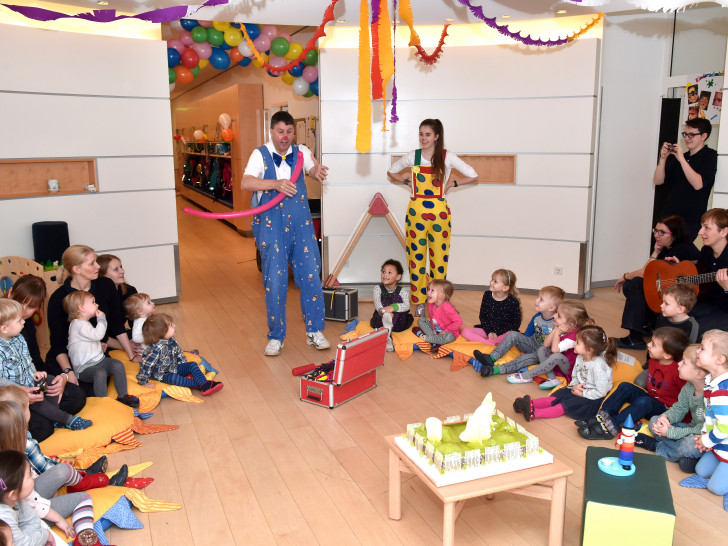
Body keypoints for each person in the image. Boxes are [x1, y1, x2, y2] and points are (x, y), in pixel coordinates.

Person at [242, 111, 330, 357]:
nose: (285, 137)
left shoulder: (301, 151)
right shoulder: (260, 155)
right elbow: (246, 182)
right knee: (275, 282)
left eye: (289, 132)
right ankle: (276, 336)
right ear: (271, 131)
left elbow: (312, 168)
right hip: (272, 227)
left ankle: (315, 331)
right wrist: (275, 184)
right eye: (281, 132)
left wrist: (317, 171)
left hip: (301, 226)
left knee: (311, 276)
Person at [387, 119, 478, 311]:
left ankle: (439, 302)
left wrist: (451, 184)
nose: (423, 138)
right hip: (416, 214)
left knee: (439, 260)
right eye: (421, 134)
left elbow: (472, 174)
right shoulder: (413, 156)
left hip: (439, 215)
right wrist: (406, 181)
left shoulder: (447, 157)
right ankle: (419, 302)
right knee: (416, 259)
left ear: (437, 136)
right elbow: (391, 171)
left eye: (428, 134)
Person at [7, 275, 86, 442]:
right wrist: (18, 394)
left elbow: (35, 360)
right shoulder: (6, 326)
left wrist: (62, 377)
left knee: (76, 395)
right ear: (10, 293)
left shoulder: (24, 325)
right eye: (20, 302)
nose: (23, 310)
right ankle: (52, 416)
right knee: (42, 428)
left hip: (28, 381)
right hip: (8, 394)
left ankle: (50, 413)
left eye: (30, 307)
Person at [46, 245, 139, 383]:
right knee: (79, 395)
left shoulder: (105, 285)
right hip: (70, 356)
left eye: (96, 261)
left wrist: (131, 355)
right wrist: (68, 372)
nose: (98, 267)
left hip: (95, 353)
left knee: (102, 379)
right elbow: (57, 342)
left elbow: (116, 323)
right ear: (76, 269)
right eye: (92, 263)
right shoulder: (58, 298)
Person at [579, 326, 690, 440]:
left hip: (667, 410)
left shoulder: (679, 372)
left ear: (667, 355)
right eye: (651, 342)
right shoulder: (653, 360)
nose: (648, 345)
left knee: (644, 402)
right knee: (625, 386)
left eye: (653, 344)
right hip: (653, 400)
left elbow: (688, 399)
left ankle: (611, 427)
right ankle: (603, 417)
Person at [616, 215, 698, 349]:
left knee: (635, 284)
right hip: (671, 289)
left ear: (675, 234)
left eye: (662, 232)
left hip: (686, 296)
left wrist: (625, 276)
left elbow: (646, 273)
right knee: (633, 285)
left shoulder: (681, 249)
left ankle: (635, 337)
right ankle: (650, 325)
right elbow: (648, 271)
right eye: (656, 231)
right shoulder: (666, 247)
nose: (657, 235)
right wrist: (655, 252)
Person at [513, 325, 615, 423]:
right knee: (558, 396)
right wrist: (574, 386)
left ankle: (535, 413)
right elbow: (575, 376)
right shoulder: (580, 357)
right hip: (579, 389)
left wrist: (583, 393)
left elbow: (601, 392)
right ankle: (529, 404)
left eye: (578, 342)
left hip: (592, 398)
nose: (574, 343)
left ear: (589, 350)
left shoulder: (598, 366)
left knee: (564, 405)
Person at [634, 345, 705, 472]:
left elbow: (700, 430)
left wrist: (670, 432)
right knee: (654, 421)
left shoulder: (709, 395)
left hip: (703, 437)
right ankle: (680, 454)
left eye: (684, 363)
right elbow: (679, 408)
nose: (678, 364)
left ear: (699, 374)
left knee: (690, 446)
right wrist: (665, 418)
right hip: (690, 429)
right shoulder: (689, 387)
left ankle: (656, 446)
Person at [63, 291, 138, 408]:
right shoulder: (77, 325)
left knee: (118, 365)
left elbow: (90, 341)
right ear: (81, 308)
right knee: (100, 373)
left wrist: (98, 347)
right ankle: (103, 404)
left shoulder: (85, 324)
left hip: (98, 361)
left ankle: (123, 396)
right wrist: (102, 319)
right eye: (93, 302)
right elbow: (98, 335)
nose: (97, 305)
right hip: (85, 368)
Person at [681, 329, 728, 509]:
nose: (698, 352)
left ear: (719, 359)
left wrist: (707, 440)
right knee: (701, 470)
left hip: (724, 444)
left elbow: (725, 428)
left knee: (715, 488)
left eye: (702, 349)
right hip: (719, 444)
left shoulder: (723, 391)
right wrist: (704, 438)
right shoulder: (712, 381)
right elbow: (710, 416)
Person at [471, 285, 564, 374]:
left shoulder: (557, 322)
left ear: (552, 308)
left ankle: (495, 370)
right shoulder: (537, 316)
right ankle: (491, 358)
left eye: (541, 300)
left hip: (543, 353)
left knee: (522, 359)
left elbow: (558, 344)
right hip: (532, 344)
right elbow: (528, 332)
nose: (536, 300)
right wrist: (523, 347)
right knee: (513, 334)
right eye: (538, 297)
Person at [503, 300, 592, 388]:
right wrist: (555, 330)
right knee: (542, 349)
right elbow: (545, 345)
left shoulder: (573, 337)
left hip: (570, 370)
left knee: (556, 356)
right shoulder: (562, 328)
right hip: (558, 363)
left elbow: (555, 350)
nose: (554, 315)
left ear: (570, 325)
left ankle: (527, 375)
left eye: (559, 316)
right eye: (556, 313)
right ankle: (552, 378)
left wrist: (557, 332)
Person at [654, 118, 718, 240]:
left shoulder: (710, 156)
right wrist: (662, 159)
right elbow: (658, 181)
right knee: (660, 255)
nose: (687, 138)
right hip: (668, 216)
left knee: (679, 256)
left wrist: (682, 160)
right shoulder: (681, 157)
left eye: (692, 135)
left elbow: (698, 184)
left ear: (704, 136)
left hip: (689, 220)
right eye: (685, 134)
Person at [138, 313, 223, 395]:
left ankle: (204, 384)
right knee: (174, 378)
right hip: (163, 374)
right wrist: (143, 382)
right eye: (171, 325)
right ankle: (199, 385)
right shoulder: (155, 350)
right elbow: (146, 366)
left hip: (175, 367)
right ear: (163, 333)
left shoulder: (172, 340)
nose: (174, 325)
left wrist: (184, 366)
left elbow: (178, 353)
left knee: (192, 365)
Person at [688, 208, 728, 335]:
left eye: (706, 228)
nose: (700, 232)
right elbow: (699, 274)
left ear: (724, 232)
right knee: (676, 316)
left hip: (725, 309)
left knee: (698, 329)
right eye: (701, 227)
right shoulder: (706, 251)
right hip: (708, 302)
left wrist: (727, 288)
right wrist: (680, 267)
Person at [461, 269, 522, 343]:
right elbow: (482, 316)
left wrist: (498, 333)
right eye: (492, 279)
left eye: (495, 281)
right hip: (488, 330)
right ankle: (489, 343)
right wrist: (489, 332)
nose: (491, 282)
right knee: (465, 331)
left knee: (512, 335)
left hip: (503, 333)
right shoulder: (487, 295)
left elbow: (515, 324)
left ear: (505, 288)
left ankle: (493, 341)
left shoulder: (513, 301)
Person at [369, 260, 413, 352]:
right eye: (383, 272)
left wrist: (393, 308)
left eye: (389, 272)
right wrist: (385, 312)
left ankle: (387, 333)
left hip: (398, 324)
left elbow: (407, 306)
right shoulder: (377, 289)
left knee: (397, 298)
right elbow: (378, 305)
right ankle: (387, 335)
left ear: (398, 276)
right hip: (380, 320)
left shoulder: (402, 291)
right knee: (384, 303)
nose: (385, 275)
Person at [411, 280, 462, 349]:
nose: (428, 292)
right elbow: (432, 319)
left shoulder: (447, 307)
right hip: (436, 331)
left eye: (432, 290)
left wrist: (445, 331)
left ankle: (425, 337)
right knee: (421, 320)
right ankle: (435, 341)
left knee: (449, 337)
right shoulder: (431, 304)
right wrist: (433, 328)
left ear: (442, 295)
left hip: (448, 332)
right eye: (429, 289)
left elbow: (458, 322)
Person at [97, 254, 138, 335]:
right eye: (116, 269)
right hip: (103, 340)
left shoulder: (130, 290)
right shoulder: (97, 296)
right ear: (102, 275)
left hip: (121, 334)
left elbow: (135, 323)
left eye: (121, 267)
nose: (123, 271)